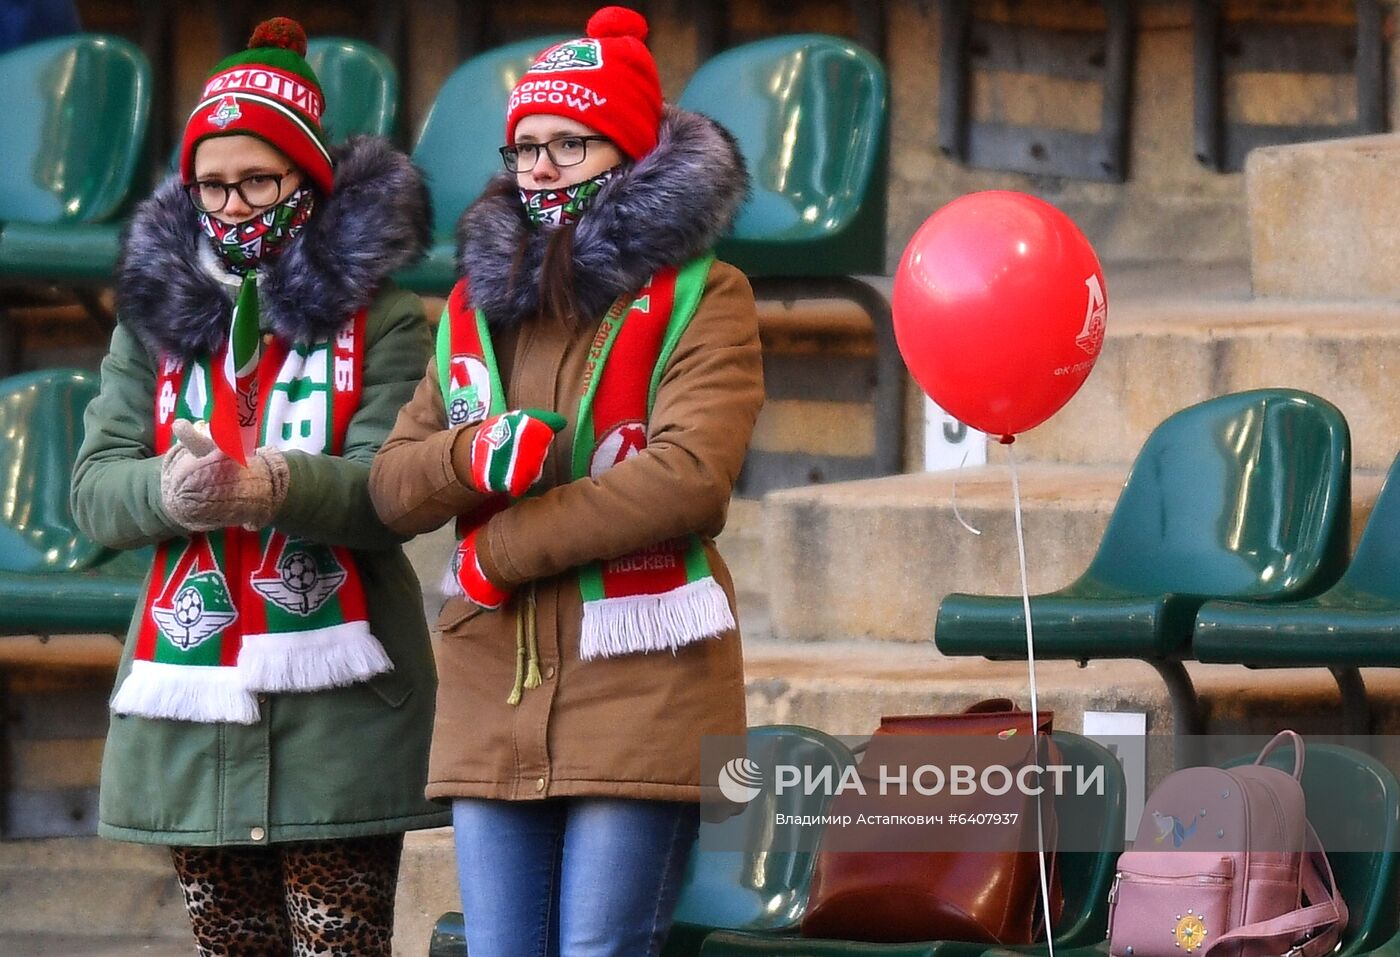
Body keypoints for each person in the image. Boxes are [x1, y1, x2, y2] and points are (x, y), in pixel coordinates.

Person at [369, 6, 763, 956]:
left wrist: (503, 547)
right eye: (524, 148)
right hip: (490, 683)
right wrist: (469, 457)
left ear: (631, 156)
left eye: (569, 146)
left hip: (642, 686)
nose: (538, 169)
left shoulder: (705, 293)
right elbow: (391, 487)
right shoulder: (474, 308)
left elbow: (689, 477)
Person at [70, 17, 447, 956]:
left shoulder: (388, 320)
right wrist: (170, 490)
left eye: (258, 181)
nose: (233, 206)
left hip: (343, 715)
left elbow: (389, 495)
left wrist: (276, 484)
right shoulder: (152, 321)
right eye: (212, 184)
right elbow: (93, 490)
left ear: (308, 186)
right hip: (190, 713)